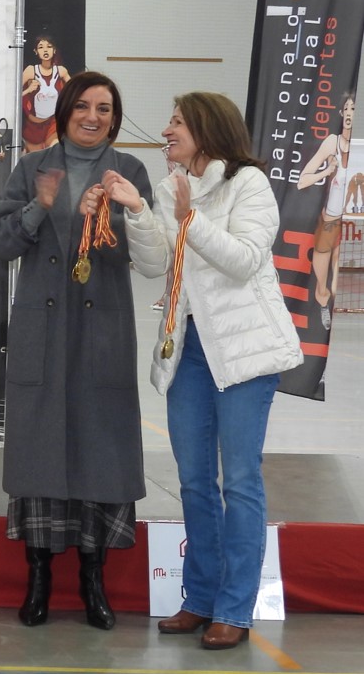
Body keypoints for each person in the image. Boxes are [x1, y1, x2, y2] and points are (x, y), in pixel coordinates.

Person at [109, 92, 302, 650]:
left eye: (176, 122)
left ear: (205, 129)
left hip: (243, 353)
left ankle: (234, 609)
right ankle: (199, 598)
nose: (166, 131)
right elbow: (155, 265)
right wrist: (139, 211)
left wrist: (189, 217)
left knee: (239, 481)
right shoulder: (172, 187)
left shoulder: (250, 184)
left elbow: (243, 260)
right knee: (194, 481)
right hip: (187, 351)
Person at [0, 71, 151, 631]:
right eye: (83, 106)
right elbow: (0, 243)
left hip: (102, 328)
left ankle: (92, 579)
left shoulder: (129, 171)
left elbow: (142, 251)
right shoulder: (32, 168)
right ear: (63, 112)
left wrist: (109, 214)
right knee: (40, 446)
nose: (92, 117)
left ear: (115, 118)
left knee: (100, 447)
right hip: (44, 325)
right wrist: (39, 206)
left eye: (104, 109)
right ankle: (37, 578)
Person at [295, 92, 355, 331]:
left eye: (354, 109)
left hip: (351, 222)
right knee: (323, 284)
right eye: (346, 109)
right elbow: (302, 181)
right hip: (330, 221)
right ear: (340, 113)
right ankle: (322, 304)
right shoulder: (332, 143)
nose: (349, 114)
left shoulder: (359, 147)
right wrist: (327, 171)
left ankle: (335, 314)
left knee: (340, 277)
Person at [20, 35, 69, 152]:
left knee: (54, 149)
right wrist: (28, 90)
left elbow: (76, 90)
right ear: (35, 51)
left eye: (49, 47)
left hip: (53, 123)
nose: (45, 50)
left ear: (54, 50)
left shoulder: (61, 71)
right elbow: (13, 95)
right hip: (33, 125)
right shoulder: (31, 71)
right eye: (41, 47)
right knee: (35, 157)